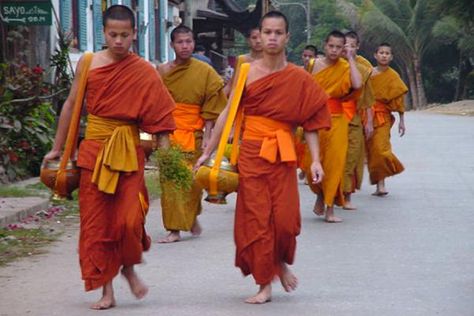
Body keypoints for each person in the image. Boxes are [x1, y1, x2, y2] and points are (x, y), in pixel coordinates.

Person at [43, 5, 176, 309]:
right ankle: (107, 290)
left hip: (129, 152)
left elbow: (161, 120)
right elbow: (72, 105)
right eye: (113, 35)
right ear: (103, 33)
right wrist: (59, 147)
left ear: (134, 35)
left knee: (130, 220)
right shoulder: (89, 64)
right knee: (97, 224)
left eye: (125, 35)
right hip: (95, 152)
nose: (118, 41)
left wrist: (167, 161)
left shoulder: (144, 70)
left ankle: (128, 268)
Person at [195, 11, 331, 304]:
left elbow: (311, 122)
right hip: (253, 154)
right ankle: (264, 282)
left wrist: (316, 160)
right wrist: (208, 151)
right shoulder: (246, 72)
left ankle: (280, 262)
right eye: (267, 32)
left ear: (287, 37)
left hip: (283, 156)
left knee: (284, 221)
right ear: (260, 36)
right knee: (257, 219)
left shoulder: (299, 78)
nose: (271, 37)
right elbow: (227, 115)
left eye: (277, 32)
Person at [157, 25, 227, 243]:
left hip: (195, 133)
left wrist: (208, 136)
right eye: (180, 42)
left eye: (188, 41)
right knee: (170, 183)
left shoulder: (204, 71)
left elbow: (212, 105)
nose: (185, 46)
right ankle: (174, 229)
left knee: (192, 183)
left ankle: (190, 215)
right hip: (169, 133)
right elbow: (155, 104)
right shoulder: (162, 71)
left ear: (194, 43)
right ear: (172, 45)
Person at [306, 30, 362, 223]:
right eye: (331, 46)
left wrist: (351, 58)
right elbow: (304, 90)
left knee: (334, 164)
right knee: (310, 162)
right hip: (314, 119)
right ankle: (320, 194)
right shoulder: (313, 65)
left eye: (339, 47)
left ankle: (329, 208)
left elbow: (357, 83)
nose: (334, 50)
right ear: (325, 45)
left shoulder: (345, 66)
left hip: (337, 120)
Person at [366, 42, 408, 195]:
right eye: (381, 52)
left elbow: (399, 100)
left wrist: (402, 121)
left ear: (391, 57)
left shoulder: (393, 76)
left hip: (383, 116)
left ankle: (382, 183)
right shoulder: (368, 73)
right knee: (371, 151)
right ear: (375, 55)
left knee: (381, 149)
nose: (384, 55)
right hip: (366, 115)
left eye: (387, 53)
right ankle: (378, 183)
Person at [341, 31, 375, 210]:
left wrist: (369, 122)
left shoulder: (363, 70)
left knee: (352, 158)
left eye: (351, 46)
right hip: (333, 119)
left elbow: (368, 99)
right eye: (344, 45)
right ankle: (327, 196)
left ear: (357, 47)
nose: (347, 49)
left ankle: (347, 195)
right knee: (333, 159)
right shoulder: (331, 67)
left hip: (353, 119)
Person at [223, 26, 263, 96]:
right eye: (254, 38)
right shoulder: (242, 59)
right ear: (248, 40)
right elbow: (232, 85)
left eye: (261, 38)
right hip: (244, 101)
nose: (258, 41)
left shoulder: (272, 61)